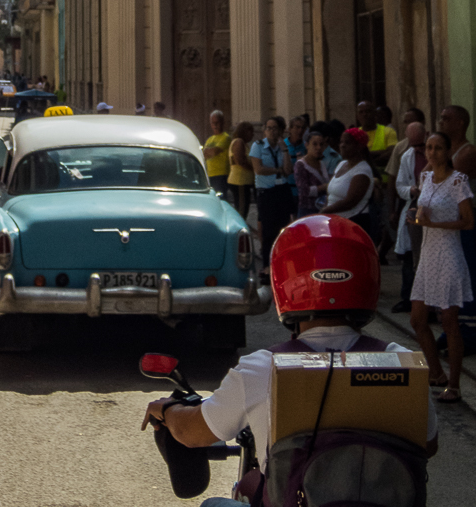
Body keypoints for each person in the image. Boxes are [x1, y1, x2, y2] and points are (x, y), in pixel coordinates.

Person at [141, 215, 438, 506]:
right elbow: (427, 443)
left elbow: (193, 434)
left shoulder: (261, 369)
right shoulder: (402, 362)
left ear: (284, 282)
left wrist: (168, 409)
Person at [409, 131, 475, 402]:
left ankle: (455, 386)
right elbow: (422, 211)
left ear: (448, 151)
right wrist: (418, 216)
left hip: (448, 254)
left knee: (449, 322)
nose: (432, 152)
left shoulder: (458, 181)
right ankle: (436, 372)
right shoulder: (425, 178)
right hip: (428, 256)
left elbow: (468, 222)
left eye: (438, 148)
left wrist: (434, 224)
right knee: (417, 319)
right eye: (429, 147)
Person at [437, 105, 476, 354]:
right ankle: (451, 330)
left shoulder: (467, 152)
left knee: (466, 276)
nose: (441, 122)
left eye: (446, 119)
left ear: (460, 123)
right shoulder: (446, 151)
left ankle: (469, 333)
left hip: (465, 224)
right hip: (447, 225)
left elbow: (445, 181)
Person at [249, 117, 293, 277]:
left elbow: (288, 170)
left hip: (282, 190)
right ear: (264, 130)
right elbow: (259, 169)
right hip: (266, 192)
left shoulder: (283, 147)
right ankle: (267, 266)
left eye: (275, 128)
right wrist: (278, 170)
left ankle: (280, 262)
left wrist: (285, 150)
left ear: (281, 131)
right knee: (268, 230)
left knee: (282, 228)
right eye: (269, 128)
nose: (272, 131)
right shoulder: (258, 146)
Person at [392, 122, 427, 313]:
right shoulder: (407, 156)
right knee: (409, 257)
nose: (419, 149)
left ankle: (425, 303)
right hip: (414, 205)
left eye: (421, 145)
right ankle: (408, 298)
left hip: (430, 210)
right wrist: (411, 190)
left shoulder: (435, 154)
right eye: (414, 145)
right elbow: (400, 185)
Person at [323, 127, 375, 229]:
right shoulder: (341, 164)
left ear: (359, 146)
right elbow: (330, 193)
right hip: (334, 221)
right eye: (341, 142)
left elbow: (350, 202)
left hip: (352, 223)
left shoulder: (362, 170)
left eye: (347, 143)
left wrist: (325, 211)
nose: (342, 146)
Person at [294, 131, 328, 217]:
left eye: (321, 144)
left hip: (322, 209)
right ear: (307, 145)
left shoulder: (322, 164)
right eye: (315, 144)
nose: (318, 148)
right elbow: (303, 190)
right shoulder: (301, 165)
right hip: (307, 210)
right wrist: (323, 187)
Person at [226, 122, 254, 220]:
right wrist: (254, 168)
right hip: (239, 181)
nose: (253, 135)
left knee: (244, 207)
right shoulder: (239, 142)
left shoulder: (244, 144)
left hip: (243, 182)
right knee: (241, 210)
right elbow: (240, 161)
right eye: (251, 132)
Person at [203, 110, 231, 197]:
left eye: (217, 122)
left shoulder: (225, 137)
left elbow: (215, 151)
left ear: (222, 122)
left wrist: (209, 151)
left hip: (221, 174)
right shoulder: (209, 139)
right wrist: (209, 152)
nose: (215, 125)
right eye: (212, 123)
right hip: (210, 174)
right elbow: (203, 155)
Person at [283, 115, 307, 210]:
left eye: (303, 128)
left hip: (301, 191)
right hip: (286, 190)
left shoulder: (307, 146)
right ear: (290, 129)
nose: (300, 130)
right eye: (297, 127)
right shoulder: (283, 145)